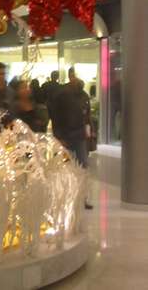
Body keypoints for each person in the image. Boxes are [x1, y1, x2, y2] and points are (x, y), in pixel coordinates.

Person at [53, 68, 93, 209]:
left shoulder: (84, 96)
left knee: (82, 165)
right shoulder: (62, 95)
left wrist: (89, 130)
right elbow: (56, 116)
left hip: (78, 135)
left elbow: (86, 116)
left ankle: (83, 197)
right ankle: (66, 196)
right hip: (67, 135)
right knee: (67, 166)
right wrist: (58, 135)